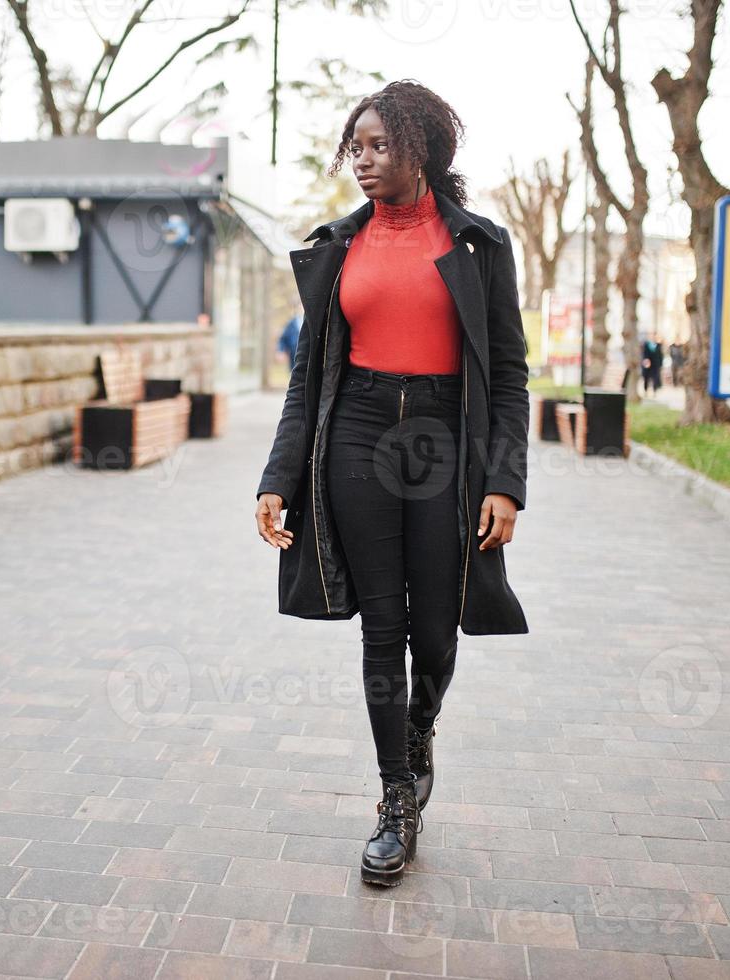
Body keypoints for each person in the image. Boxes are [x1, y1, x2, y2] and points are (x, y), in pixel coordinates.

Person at [252, 79, 529, 888]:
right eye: (357, 147)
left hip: (445, 440)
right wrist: (277, 478)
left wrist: (504, 481)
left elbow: (509, 375)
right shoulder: (336, 246)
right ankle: (393, 801)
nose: (363, 162)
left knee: (436, 626)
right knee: (382, 624)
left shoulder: (478, 245)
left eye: (380, 147)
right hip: (358, 435)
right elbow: (309, 378)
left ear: (423, 149)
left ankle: (419, 732)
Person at [277, 305, 303, 371]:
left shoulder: (311, 322)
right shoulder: (291, 323)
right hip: (294, 357)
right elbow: (283, 338)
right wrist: (281, 350)